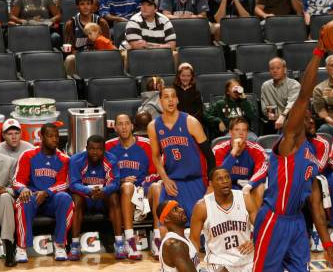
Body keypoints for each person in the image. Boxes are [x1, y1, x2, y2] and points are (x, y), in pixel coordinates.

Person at [212, 31, 333, 272]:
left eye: (310, 117)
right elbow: (305, 93)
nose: (307, 118)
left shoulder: (316, 151)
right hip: (273, 218)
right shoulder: (289, 142)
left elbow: (314, 202)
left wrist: (326, 244)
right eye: (303, 114)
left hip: (297, 222)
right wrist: (319, 52)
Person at [147, 86, 216, 223]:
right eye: (166, 97)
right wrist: (165, 179)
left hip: (196, 181)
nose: (170, 100)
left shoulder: (191, 122)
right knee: (166, 225)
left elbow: (209, 155)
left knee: (200, 228)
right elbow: (155, 156)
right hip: (173, 183)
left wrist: (211, 185)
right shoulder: (153, 126)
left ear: (178, 100)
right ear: (160, 101)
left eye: (173, 96)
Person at [13, 123, 73, 262]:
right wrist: (24, 189)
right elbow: (17, 180)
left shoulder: (64, 159)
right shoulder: (28, 155)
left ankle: (60, 245)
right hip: (33, 197)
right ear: (41, 137)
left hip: (52, 199)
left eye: (57, 136)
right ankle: (21, 248)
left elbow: (64, 183)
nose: (55, 139)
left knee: (66, 198)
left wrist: (46, 192)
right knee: (22, 202)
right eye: (50, 136)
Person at [106, 114, 161, 260]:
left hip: (144, 189)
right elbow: (105, 175)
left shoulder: (147, 144)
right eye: (120, 124)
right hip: (122, 192)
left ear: (132, 126)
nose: (124, 127)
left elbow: (157, 171)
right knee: (128, 186)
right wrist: (122, 180)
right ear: (115, 127)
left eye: (126, 123)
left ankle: (157, 240)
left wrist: (143, 185)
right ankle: (130, 241)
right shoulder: (108, 147)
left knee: (157, 187)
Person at [68, 135, 123, 261]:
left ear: (104, 149)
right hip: (85, 198)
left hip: (103, 198)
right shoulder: (76, 160)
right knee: (76, 198)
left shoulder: (111, 159)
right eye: (91, 148)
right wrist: (88, 191)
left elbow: (115, 183)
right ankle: (75, 245)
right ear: (86, 148)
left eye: (99, 149)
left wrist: (104, 191)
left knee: (114, 197)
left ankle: (119, 243)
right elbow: (73, 184)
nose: (95, 152)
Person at [305, 110, 333, 247]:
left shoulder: (322, 143)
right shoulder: (290, 142)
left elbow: (319, 167)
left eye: (312, 119)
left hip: (320, 177)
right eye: (307, 120)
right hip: (300, 179)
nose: (312, 121)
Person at [212, 117, 268, 194]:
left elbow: (262, 171)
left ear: (247, 133)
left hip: (247, 187)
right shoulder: (218, 149)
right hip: (224, 187)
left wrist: (250, 185)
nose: (241, 133)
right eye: (237, 130)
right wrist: (233, 152)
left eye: (244, 130)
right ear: (230, 132)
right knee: (211, 186)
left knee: (260, 188)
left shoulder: (257, 149)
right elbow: (219, 175)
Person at [63, 0, 111, 75]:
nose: (85, 7)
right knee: (70, 59)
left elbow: (107, 45)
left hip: (98, 55)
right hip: (78, 56)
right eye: (82, 4)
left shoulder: (101, 22)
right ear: (77, 6)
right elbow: (68, 48)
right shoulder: (71, 24)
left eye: (88, 4)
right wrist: (79, 54)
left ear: (92, 5)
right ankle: (72, 84)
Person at [0, 132, 17, 267]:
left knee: (6, 198)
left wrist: (2, 190)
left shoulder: (9, 161)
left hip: (0, 200)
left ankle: (9, 248)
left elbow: (16, 188)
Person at [260, 57, 300, 134]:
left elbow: (292, 103)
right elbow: (265, 108)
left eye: (278, 68)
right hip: (273, 121)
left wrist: (283, 116)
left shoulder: (294, 85)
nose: (275, 71)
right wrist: (272, 115)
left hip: (291, 120)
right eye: (272, 68)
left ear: (285, 69)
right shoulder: (266, 86)